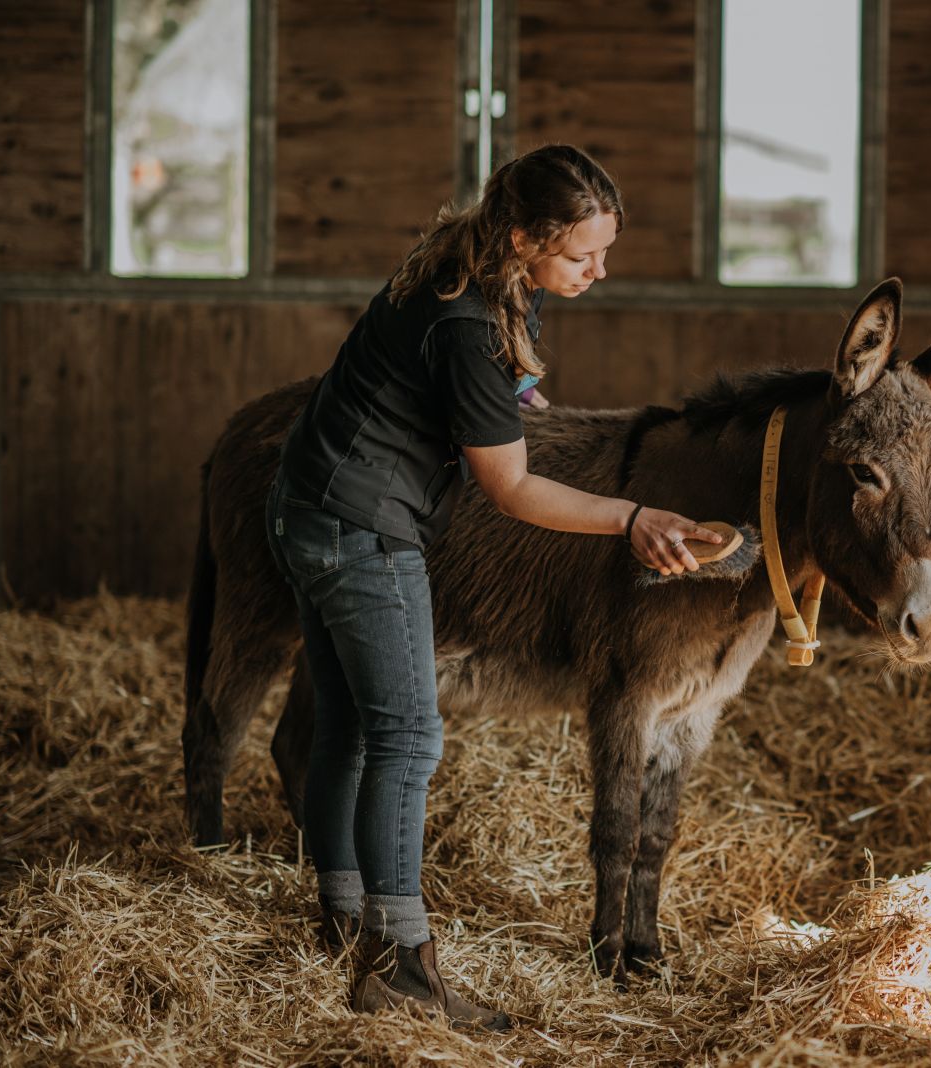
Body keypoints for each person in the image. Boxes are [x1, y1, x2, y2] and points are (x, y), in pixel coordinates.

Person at [263, 144, 720, 1029]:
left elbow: (476, 382)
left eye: (605, 250)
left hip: (305, 501)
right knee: (408, 737)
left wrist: (510, 396)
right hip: (362, 528)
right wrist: (632, 519)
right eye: (582, 254)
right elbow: (510, 489)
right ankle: (400, 967)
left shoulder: (457, 257)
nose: (598, 269)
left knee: (348, 724)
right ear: (524, 238)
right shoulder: (467, 320)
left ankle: (341, 912)